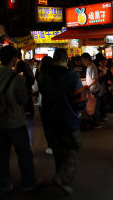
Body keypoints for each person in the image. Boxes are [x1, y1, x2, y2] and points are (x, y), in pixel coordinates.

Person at [0, 45, 36, 197]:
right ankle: (28, 183)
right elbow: (22, 99)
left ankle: (4, 184)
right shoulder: (16, 77)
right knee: (24, 153)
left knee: (1, 155)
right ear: (13, 59)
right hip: (15, 122)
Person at [38, 48, 87, 195]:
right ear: (66, 60)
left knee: (58, 152)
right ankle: (62, 177)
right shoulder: (71, 75)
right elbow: (80, 101)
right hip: (68, 121)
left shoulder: (44, 76)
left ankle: (60, 176)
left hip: (50, 121)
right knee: (74, 147)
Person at [33, 56, 53, 155]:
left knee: (47, 126)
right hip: (56, 102)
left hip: (44, 102)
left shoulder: (39, 75)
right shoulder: (56, 74)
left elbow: (35, 89)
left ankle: (51, 146)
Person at [16, 51, 36, 147]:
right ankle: (29, 145)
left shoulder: (15, 77)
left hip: (17, 104)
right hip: (27, 101)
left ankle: (22, 144)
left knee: (19, 125)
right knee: (29, 124)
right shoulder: (29, 76)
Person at [81, 53, 103, 129]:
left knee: (95, 106)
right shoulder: (88, 67)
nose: (82, 61)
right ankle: (95, 122)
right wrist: (84, 79)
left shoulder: (92, 67)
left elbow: (95, 78)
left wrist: (88, 85)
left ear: (87, 59)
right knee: (93, 106)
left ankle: (97, 123)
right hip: (91, 89)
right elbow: (90, 78)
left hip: (94, 89)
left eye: (83, 59)